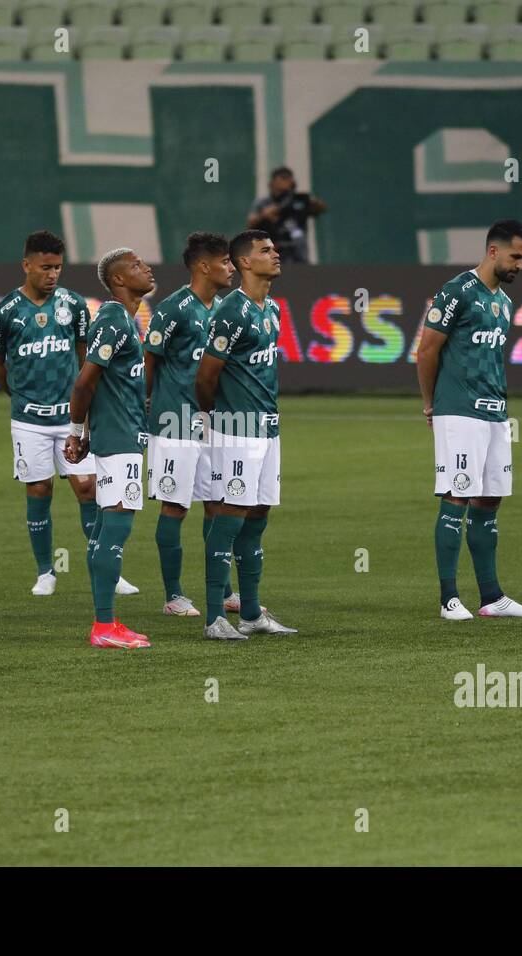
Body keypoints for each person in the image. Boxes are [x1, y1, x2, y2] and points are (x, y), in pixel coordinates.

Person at [0, 230, 138, 598]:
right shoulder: (3, 312)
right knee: (39, 489)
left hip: (69, 418)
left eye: (57, 267)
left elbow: (86, 358)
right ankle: (45, 572)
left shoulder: (74, 305)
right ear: (26, 265)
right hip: (28, 419)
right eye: (45, 267)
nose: (52, 275)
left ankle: (107, 570)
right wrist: (18, 394)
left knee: (87, 488)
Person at [416, 219, 522, 622]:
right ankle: (449, 598)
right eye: (516, 256)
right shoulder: (457, 292)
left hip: (495, 412)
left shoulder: (503, 303)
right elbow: (427, 350)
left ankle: (492, 597)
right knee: (457, 496)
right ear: (493, 251)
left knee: (489, 500)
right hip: (459, 410)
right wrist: (431, 404)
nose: (520, 264)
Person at [195, 230, 298, 641]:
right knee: (230, 515)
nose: (275, 255)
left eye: (274, 249)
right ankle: (214, 617)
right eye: (265, 251)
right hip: (236, 429)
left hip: (268, 428)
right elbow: (206, 375)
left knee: (257, 518)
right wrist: (211, 419)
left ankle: (252, 613)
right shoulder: (230, 312)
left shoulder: (271, 309)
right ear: (242, 263)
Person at [64, 248, 154, 650]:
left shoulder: (125, 320)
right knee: (115, 529)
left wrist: (85, 433)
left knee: (104, 531)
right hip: (118, 440)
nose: (145, 268)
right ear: (118, 280)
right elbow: (85, 382)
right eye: (135, 266)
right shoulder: (113, 319)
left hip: (121, 435)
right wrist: (74, 431)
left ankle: (106, 623)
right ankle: (103, 626)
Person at [144, 232, 234, 617]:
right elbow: (149, 359)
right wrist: (148, 404)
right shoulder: (173, 308)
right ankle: (174, 595)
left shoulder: (228, 308)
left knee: (218, 504)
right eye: (225, 261)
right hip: (174, 421)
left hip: (215, 422)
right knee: (176, 506)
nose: (231, 268)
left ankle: (225, 591)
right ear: (203, 266)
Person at [247, 167, 326, 264]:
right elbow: (250, 223)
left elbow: (320, 208)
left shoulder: (298, 200)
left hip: (297, 251)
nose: (283, 184)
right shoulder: (263, 202)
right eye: (281, 179)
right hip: (273, 249)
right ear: (272, 183)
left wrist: (313, 202)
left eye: (287, 179)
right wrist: (265, 214)